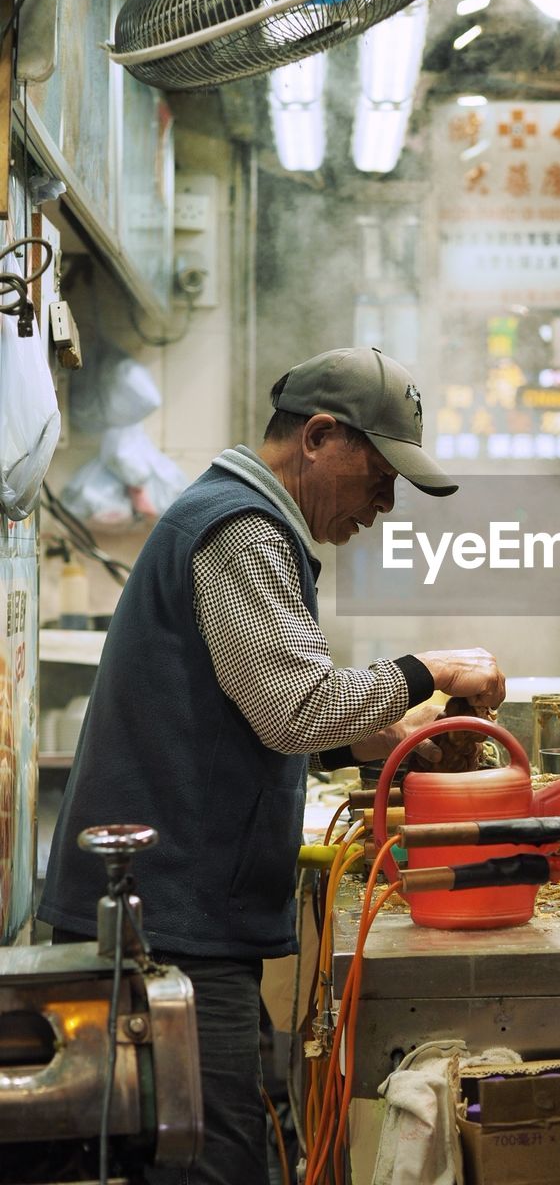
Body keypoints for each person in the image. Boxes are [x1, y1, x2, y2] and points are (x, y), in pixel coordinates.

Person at [37, 346, 506, 1185]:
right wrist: (429, 669)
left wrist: (398, 739)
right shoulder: (239, 528)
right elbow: (296, 707)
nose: (385, 503)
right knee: (216, 1165)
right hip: (164, 930)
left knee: (236, 1147)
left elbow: (257, 719)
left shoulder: (246, 525)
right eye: (381, 474)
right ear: (321, 436)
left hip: (182, 922)